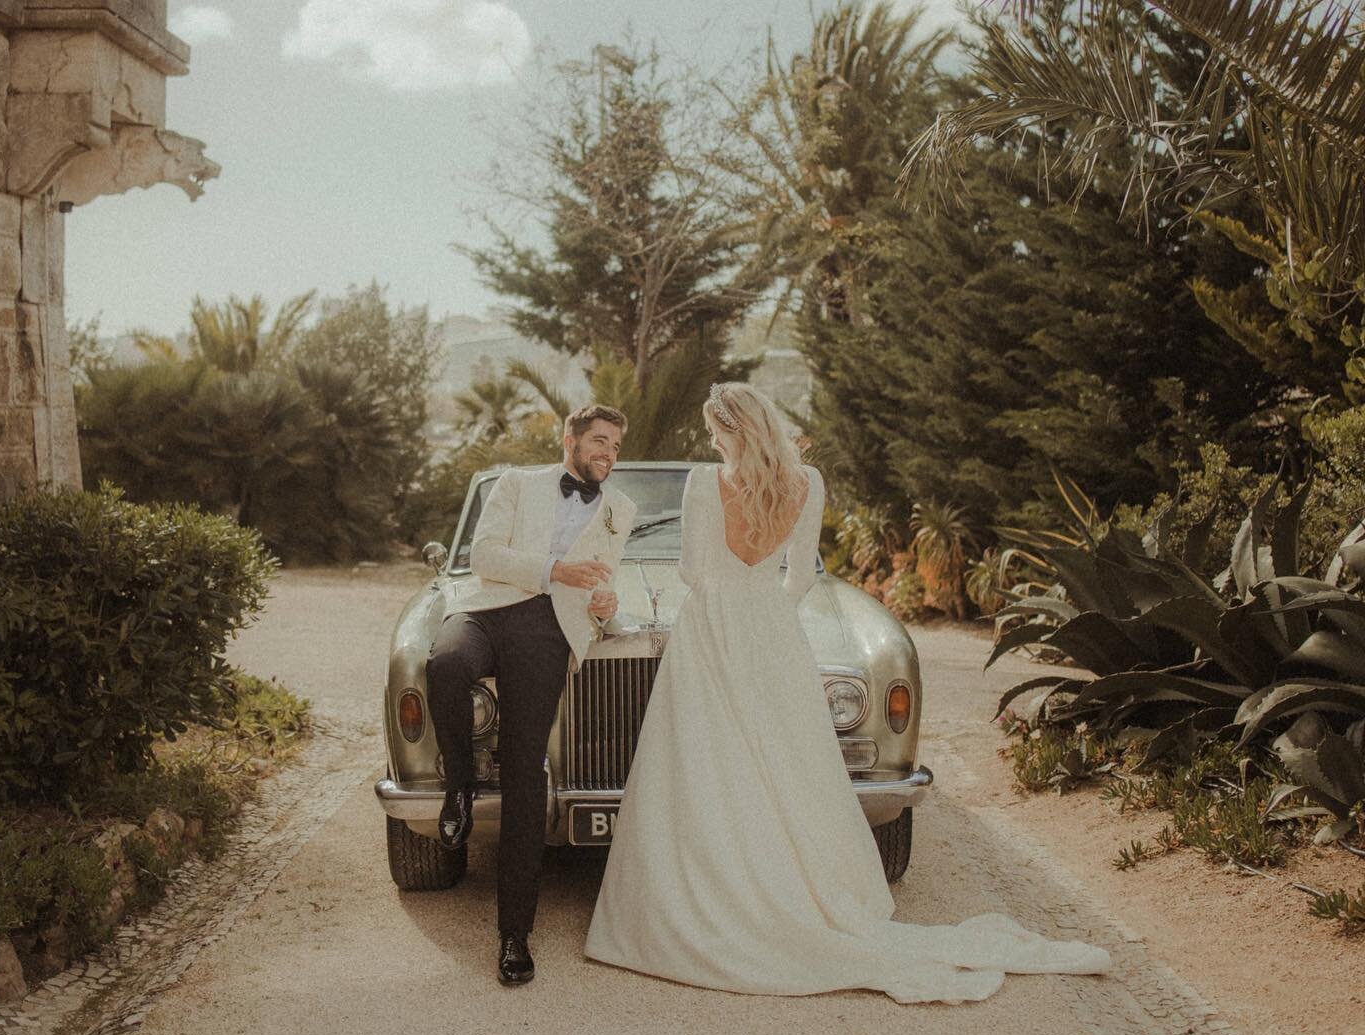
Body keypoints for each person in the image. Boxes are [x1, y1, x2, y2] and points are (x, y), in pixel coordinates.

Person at [585, 382, 1109, 1001]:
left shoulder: (705, 483)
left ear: (731, 430)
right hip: (773, 632)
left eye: (713, 431)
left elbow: (695, 572)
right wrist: (766, 616)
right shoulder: (806, 483)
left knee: (707, 760)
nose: (710, 442)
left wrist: (731, 601)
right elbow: (802, 574)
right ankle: (793, 888)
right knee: (783, 765)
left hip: (710, 630)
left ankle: (718, 890)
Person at [426, 404, 637, 987]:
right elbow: (484, 556)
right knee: (444, 665)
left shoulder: (622, 508)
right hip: (485, 612)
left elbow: (606, 578)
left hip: (549, 633)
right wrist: (555, 571)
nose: (608, 455)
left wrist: (604, 602)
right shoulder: (516, 483)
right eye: (599, 441)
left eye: (615, 447)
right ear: (568, 439)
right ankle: (460, 786)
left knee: (525, 773)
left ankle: (514, 934)